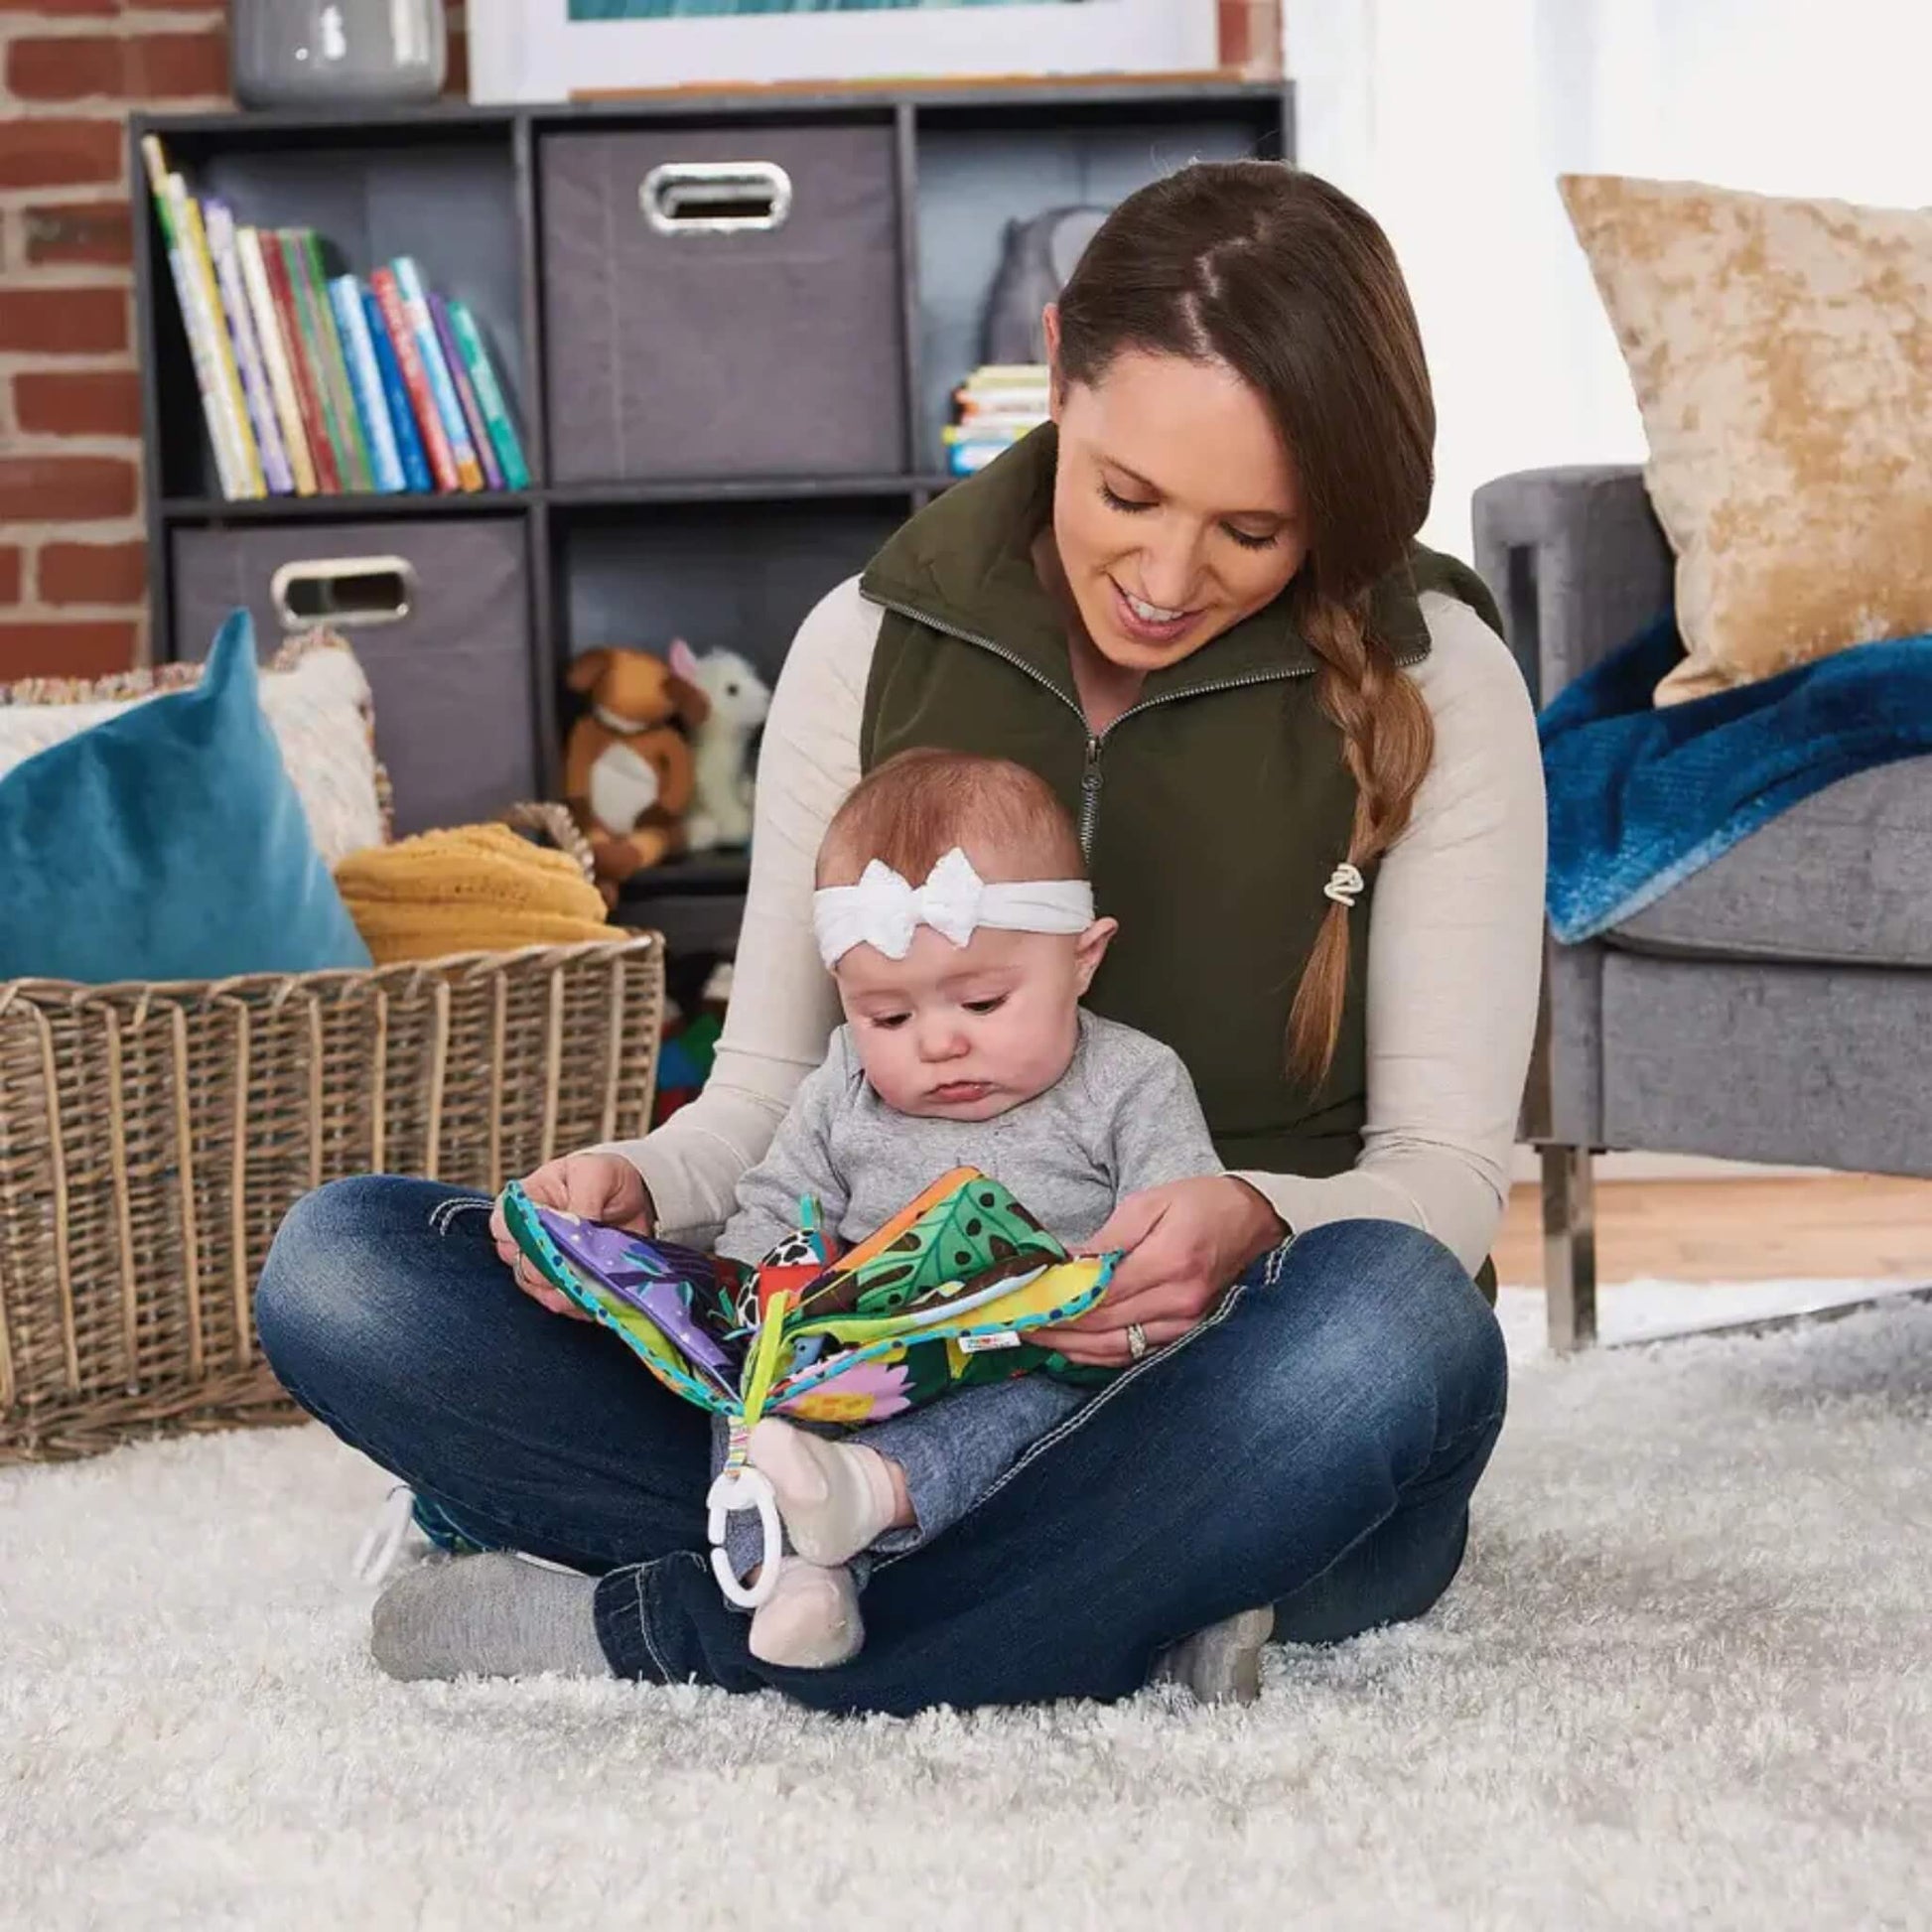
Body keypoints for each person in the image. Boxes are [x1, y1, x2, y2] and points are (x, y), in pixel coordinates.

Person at [255, 159, 1544, 1715]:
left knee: (1391, 1330)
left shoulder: (1438, 675)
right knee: (346, 1269)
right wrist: (625, 1194)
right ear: (1054, 368)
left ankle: (670, 1619)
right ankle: (1098, 1605)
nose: (1163, 576)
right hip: (858, 1383)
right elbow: (763, 1100)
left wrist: (1251, 1219)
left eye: (1251, 532)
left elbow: (1448, 1178)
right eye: (1124, 493)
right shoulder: (864, 642)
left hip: (1215, 1382)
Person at [702, 748, 1224, 1670]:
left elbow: (1173, 1242)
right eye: (888, 1018)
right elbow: (770, 1209)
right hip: (860, 1362)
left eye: (983, 1000)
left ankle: (867, 1502)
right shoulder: (840, 1086)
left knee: (1044, 1407)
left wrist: (1104, 1299)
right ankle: (792, 1581)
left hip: (1036, 1367)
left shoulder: (1131, 1082)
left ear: (1083, 960)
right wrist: (763, 1297)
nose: (940, 1042)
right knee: (744, 1402)